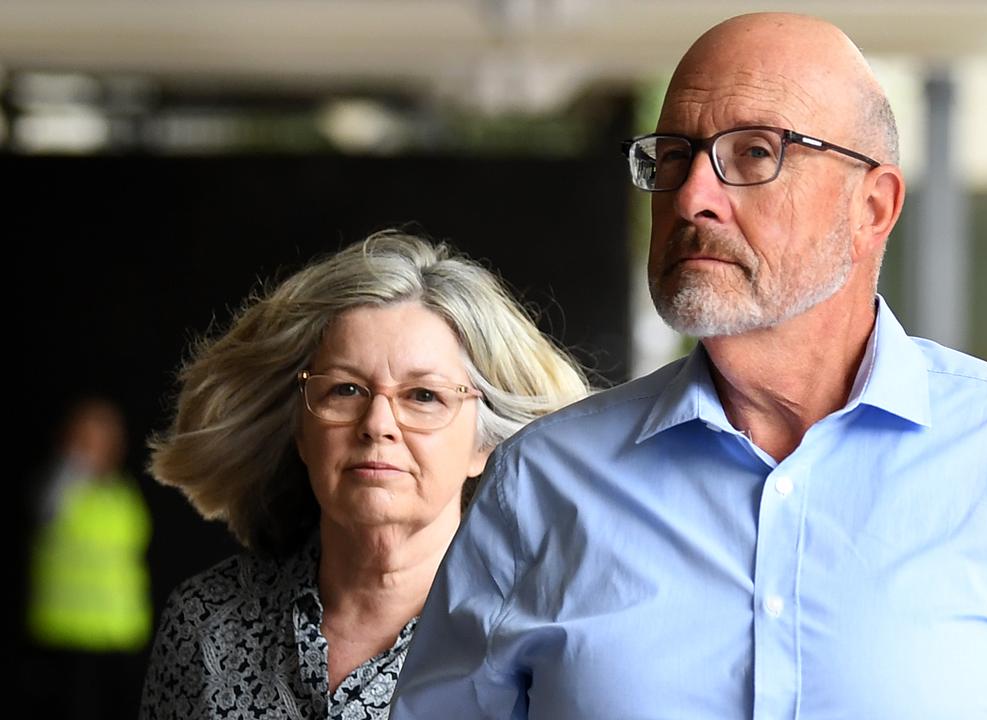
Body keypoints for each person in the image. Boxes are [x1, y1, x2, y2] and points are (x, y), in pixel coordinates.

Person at [390, 13, 987, 720]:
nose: (692, 198)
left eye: (755, 154)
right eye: (673, 156)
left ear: (873, 208)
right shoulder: (544, 484)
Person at [138, 231, 589, 719]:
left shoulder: (546, 640)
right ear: (301, 429)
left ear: (486, 445)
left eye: (423, 396)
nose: (377, 424)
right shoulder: (207, 622)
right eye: (346, 390)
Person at [26, 397, 152, 720]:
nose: (95, 449)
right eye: (86, 440)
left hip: (120, 634)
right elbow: (45, 508)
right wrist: (75, 463)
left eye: (104, 440)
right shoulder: (60, 488)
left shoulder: (121, 491)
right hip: (69, 635)